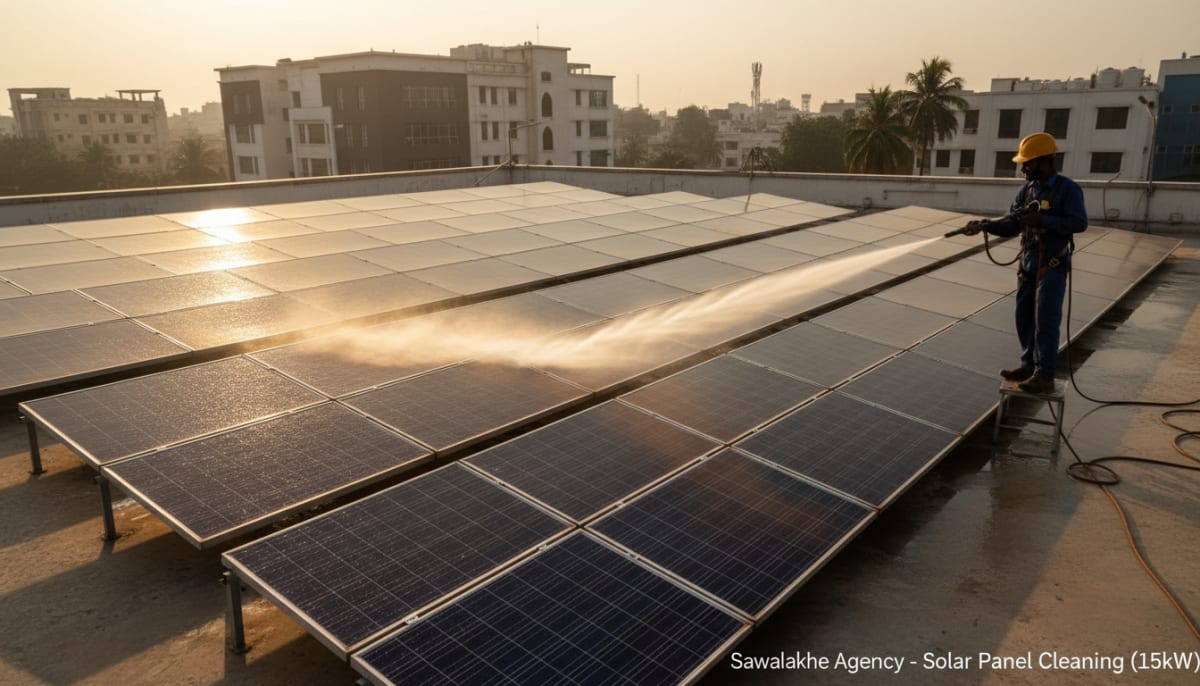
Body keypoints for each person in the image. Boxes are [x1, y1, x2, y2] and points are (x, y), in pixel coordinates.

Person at [962, 132, 1088, 394]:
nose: (1023, 168)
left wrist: (1044, 222)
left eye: (1028, 163)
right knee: (1023, 319)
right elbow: (1012, 225)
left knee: (1046, 321)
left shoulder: (1067, 189)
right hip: (1028, 265)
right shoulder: (1027, 190)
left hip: (1051, 265)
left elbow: (1079, 223)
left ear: (1045, 162)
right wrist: (986, 225)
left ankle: (1045, 376)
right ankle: (1028, 365)